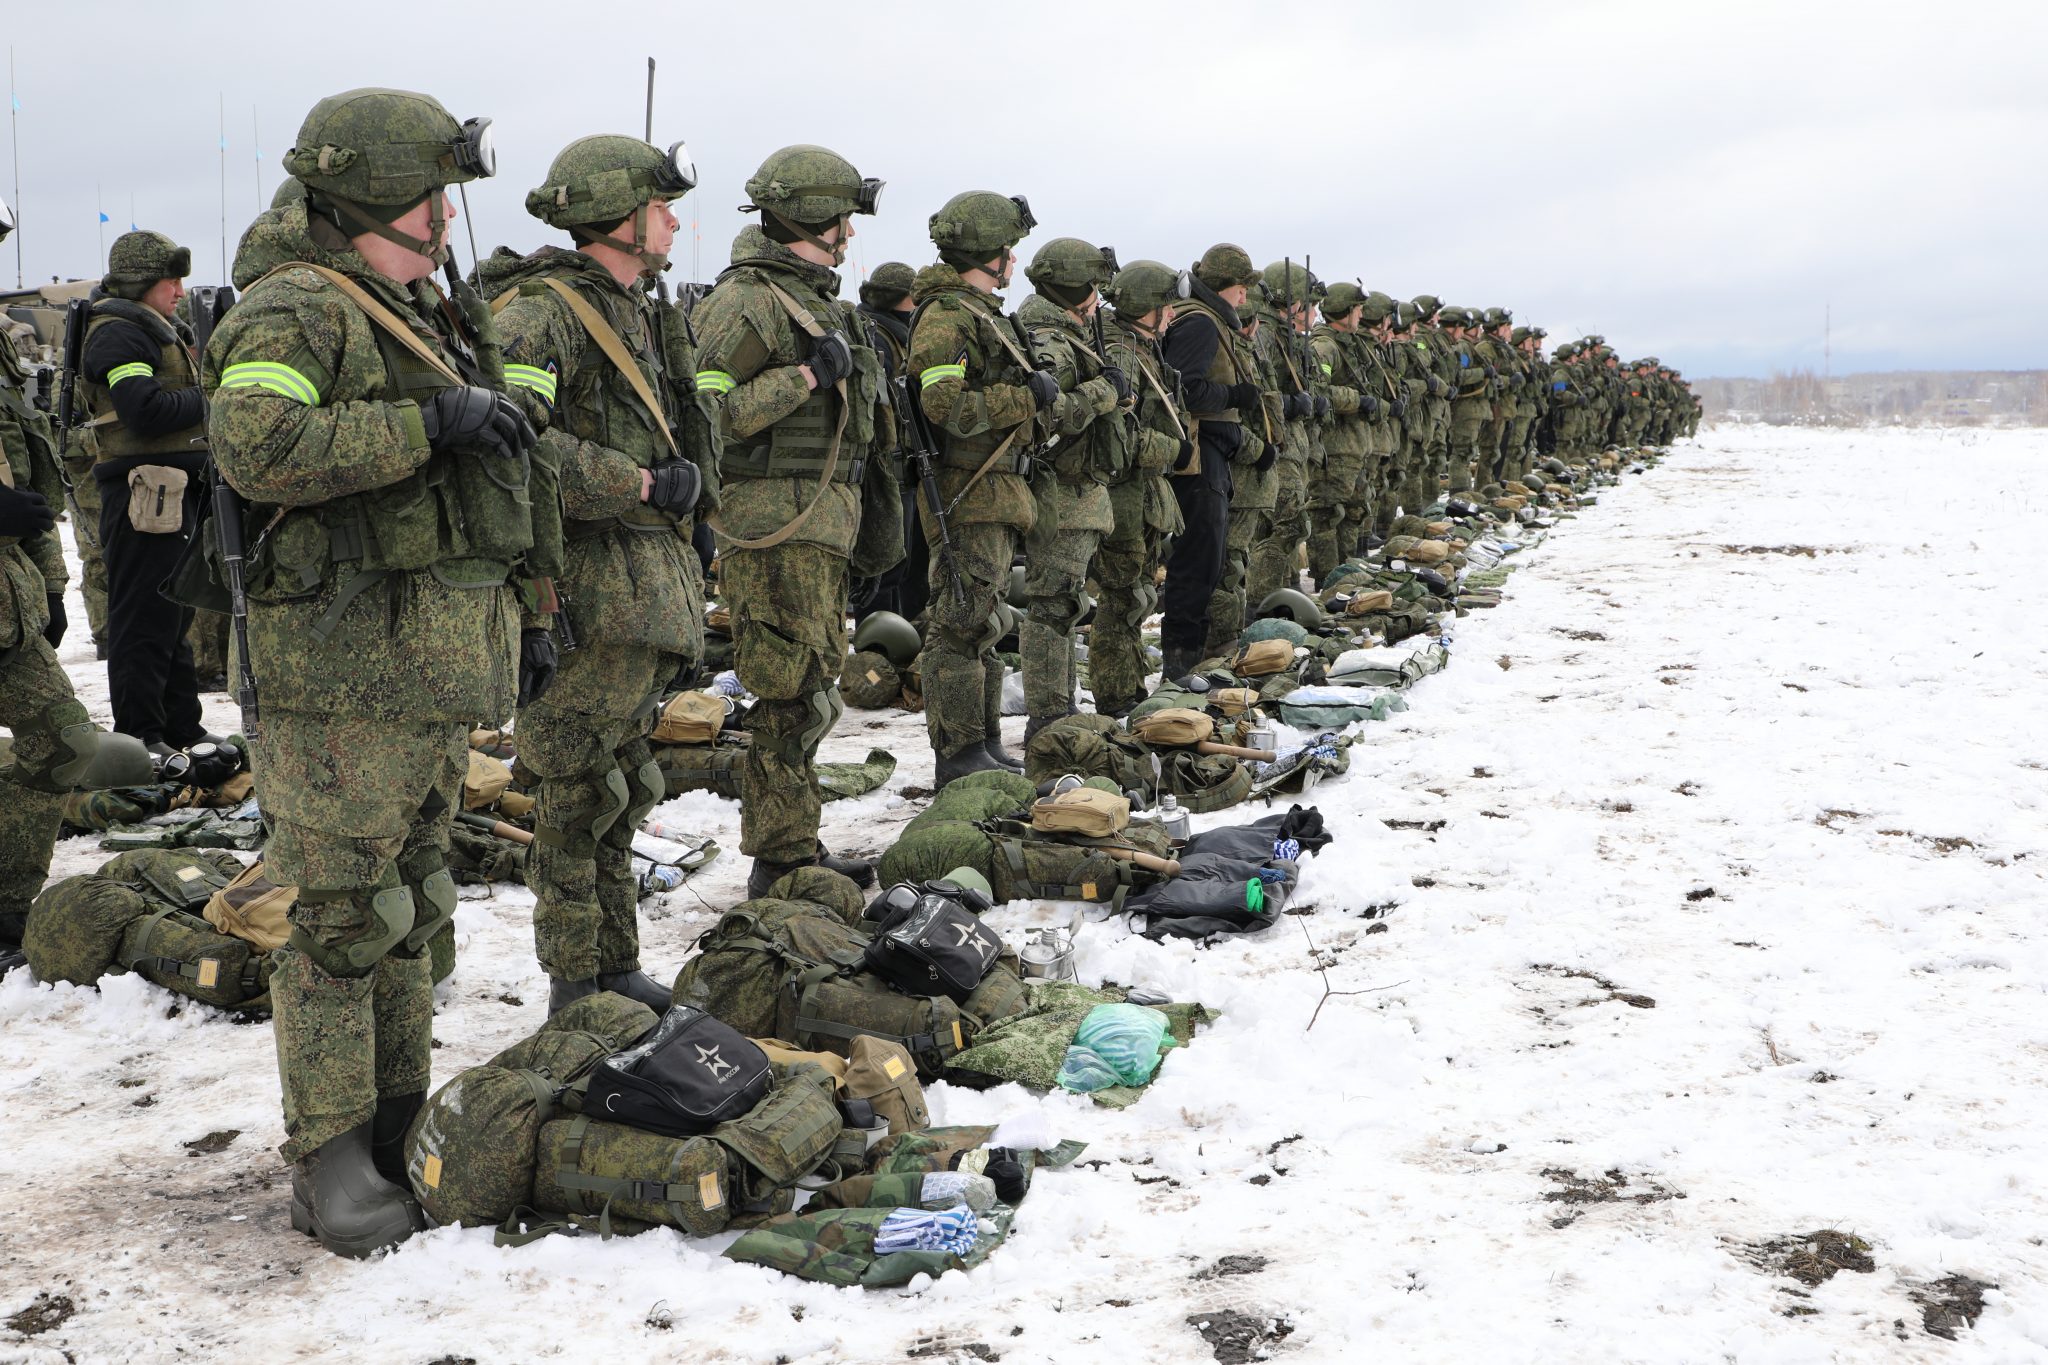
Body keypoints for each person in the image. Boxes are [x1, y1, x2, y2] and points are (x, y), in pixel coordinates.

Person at [207, 87, 543, 1257]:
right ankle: (330, 1154)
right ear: (360, 199)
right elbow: (255, 449)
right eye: (426, 198)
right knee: (344, 921)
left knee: (414, 908)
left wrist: (529, 609)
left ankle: (396, 1117)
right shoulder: (298, 310)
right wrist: (426, 426)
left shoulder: (412, 306)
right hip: (335, 674)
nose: (445, 221)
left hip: (425, 668)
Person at [482, 134, 713, 1013]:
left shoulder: (636, 311)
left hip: (639, 593)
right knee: (577, 802)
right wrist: (642, 482)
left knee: (620, 792)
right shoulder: (542, 313)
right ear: (620, 215)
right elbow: (516, 436)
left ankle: (613, 965)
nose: (673, 221)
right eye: (660, 208)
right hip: (583, 593)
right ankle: (578, 983)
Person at [692, 144, 888, 895]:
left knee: (807, 690)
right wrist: (805, 376)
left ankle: (792, 844)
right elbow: (707, 414)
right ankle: (779, 859)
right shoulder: (749, 302)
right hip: (774, 529)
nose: (848, 233)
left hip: (814, 528)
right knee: (789, 695)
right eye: (841, 218)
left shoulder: (810, 300)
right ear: (813, 218)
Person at [0, 196, 158, 973]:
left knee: (60, 744)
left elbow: (25, 470)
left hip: (6, 602)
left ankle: (2, 916)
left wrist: (52, 581)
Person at [906, 190, 1052, 782]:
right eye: (1008, 250)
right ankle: (958, 752)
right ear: (988, 252)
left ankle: (982, 740)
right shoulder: (947, 316)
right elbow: (941, 405)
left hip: (994, 490)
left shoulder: (980, 311)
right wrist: (1024, 397)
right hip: (967, 493)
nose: (1013, 262)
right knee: (958, 626)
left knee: (983, 624)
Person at [76, 230, 214, 756]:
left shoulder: (152, 329)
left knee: (174, 615)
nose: (180, 291)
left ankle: (181, 729)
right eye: (170, 281)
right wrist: (213, 399)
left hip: (171, 491)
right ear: (141, 284)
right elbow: (144, 411)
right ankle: (141, 737)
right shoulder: (118, 334)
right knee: (142, 618)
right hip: (146, 494)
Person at [1016, 237, 1123, 744]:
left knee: (1065, 604)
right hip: (1061, 493)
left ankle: (1061, 708)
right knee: (1053, 605)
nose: (1099, 301)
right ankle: (1050, 715)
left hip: (1078, 493)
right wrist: (1106, 391)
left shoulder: (1071, 333)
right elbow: (1050, 411)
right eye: (1093, 289)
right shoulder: (1050, 339)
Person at [1159, 244, 1267, 680]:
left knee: (1204, 560)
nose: (1244, 300)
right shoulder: (1202, 323)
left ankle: (1190, 659)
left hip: (1208, 453)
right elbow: (1185, 390)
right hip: (1198, 459)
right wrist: (1234, 397)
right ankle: (1181, 663)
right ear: (1228, 288)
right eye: (1242, 290)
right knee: (1197, 562)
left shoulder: (1203, 318)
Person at [1090, 259, 1187, 717]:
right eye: (1165, 306)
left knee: (1138, 596)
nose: (1171, 315)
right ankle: (1115, 697)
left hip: (1145, 495)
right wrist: (1174, 450)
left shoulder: (1144, 350)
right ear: (1146, 308)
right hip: (1124, 495)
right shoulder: (1123, 354)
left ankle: (1129, 689)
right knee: (1121, 599)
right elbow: (1120, 438)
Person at [1247, 260, 1322, 611]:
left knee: (1288, 526)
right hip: (1276, 447)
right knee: (1285, 526)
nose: (1315, 313)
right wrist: (1291, 404)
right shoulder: (1264, 333)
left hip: (1293, 446)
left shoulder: (1284, 335)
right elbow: (1256, 390)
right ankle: (1260, 605)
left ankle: (1285, 592)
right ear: (1292, 304)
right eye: (1310, 305)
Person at [851, 262, 921, 625]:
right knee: (886, 565)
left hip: (899, 463)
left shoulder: (890, 332)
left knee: (902, 562)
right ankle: (878, 654)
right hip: (885, 467)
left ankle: (896, 641)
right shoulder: (877, 337)